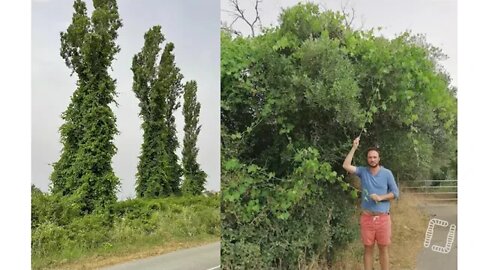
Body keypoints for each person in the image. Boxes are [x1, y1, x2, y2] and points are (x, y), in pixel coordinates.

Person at [342, 136, 399, 270]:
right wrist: (354, 147)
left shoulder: (387, 173)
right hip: (367, 218)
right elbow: (345, 165)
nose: (372, 159)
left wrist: (380, 198)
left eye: (375, 157)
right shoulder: (363, 171)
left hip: (383, 218)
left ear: (379, 159)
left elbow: (395, 193)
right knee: (368, 249)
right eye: (370, 157)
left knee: (383, 250)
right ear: (367, 159)